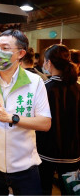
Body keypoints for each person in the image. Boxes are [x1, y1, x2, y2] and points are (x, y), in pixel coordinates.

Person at [0, 29, 52, 195]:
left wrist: (12, 118)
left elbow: (45, 123)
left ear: (21, 53)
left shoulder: (34, 82)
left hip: (25, 165)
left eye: (5, 48)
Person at [37, 44, 80, 195]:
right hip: (73, 152)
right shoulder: (78, 88)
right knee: (71, 191)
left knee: (43, 190)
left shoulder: (45, 88)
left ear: (49, 63)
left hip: (45, 150)